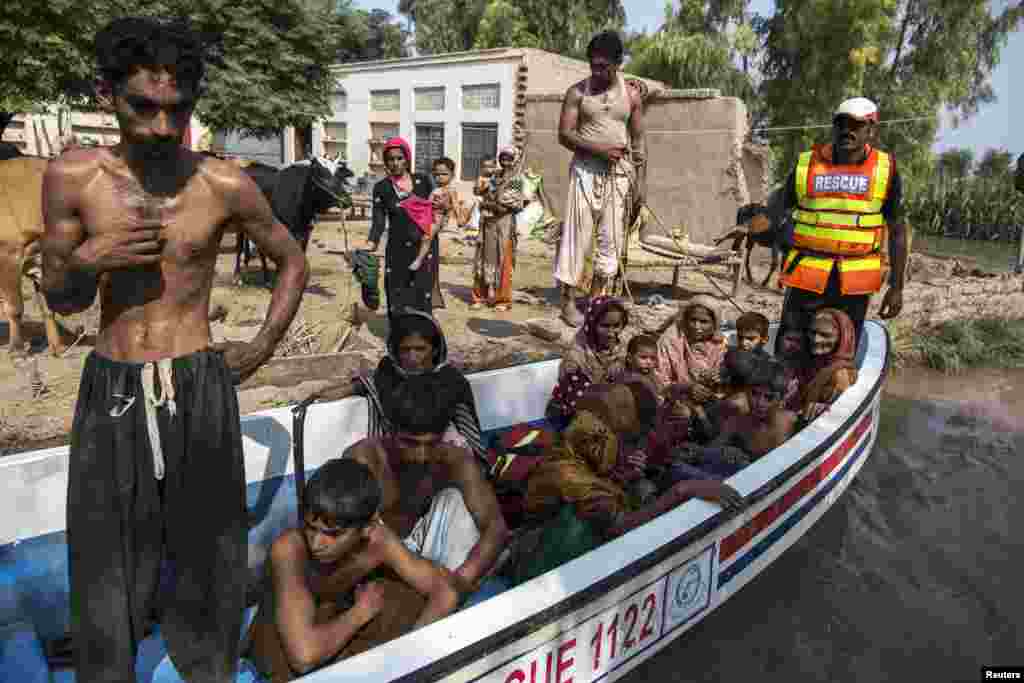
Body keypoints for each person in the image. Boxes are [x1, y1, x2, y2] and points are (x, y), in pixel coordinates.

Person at [38, 17, 309, 683]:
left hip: (199, 380)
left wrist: (264, 343)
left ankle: (208, 666)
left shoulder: (222, 184)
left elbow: (291, 259)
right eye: (143, 107)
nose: (162, 126)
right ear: (108, 95)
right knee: (103, 550)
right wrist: (90, 257)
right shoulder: (74, 177)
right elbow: (60, 297)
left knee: (210, 548)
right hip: (115, 383)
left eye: (178, 109)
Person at [243, 459, 458, 682]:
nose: (317, 543)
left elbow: (445, 591)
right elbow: (303, 656)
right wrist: (360, 613)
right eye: (310, 527)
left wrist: (410, 653)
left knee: (409, 600)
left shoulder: (378, 539)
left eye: (333, 534)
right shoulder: (289, 550)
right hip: (287, 636)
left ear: (368, 527)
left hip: (334, 616)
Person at [511, 382, 742, 584]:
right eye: (616, 439)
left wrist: (624, 476)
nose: (621, 446)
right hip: (542, 569)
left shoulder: (568, 447)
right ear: (600, 441)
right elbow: (621, 527)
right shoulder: (573, 478)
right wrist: (684, 490)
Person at [343, 374, 509, 603]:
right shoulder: (363, 459)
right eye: (410, 443)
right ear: (390, 430)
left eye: (431, 444)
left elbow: (495, 527)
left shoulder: (455, 459)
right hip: (383, 558)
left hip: (432, 555)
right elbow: (351, 539)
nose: (421, 455)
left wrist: (462, 578)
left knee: (454, 499)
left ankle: (453, 595)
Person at [778, 97, 907, 342]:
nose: (847, 130)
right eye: (841, 124)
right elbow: (780, 212)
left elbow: (898, 231)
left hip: (854, 284)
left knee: (841, 351)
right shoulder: (807, 164)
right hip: (807, 278)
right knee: (792, 347)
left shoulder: (886, 169)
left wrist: (897, 287)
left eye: (856, 125)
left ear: (871, 130)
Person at [554, 30, 647, 327]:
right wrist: (599, 149)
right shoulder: (577, 93)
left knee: (611, 241)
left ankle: (595, 301)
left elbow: (639, 138)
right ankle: (568, 303)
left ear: (619, 63)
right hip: (584, 171)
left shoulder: (631, 94)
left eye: (604, 66)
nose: (597, 71)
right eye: (593, 65)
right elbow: (564, 135)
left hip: (619, 176)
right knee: (576, 238)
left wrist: (640, 181)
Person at [311, 309, 487, 466]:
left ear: (434, 350)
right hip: (398, 446)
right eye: (405, 350)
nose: (412, 357)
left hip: (442, 450)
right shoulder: (388, 370)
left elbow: (465, 422)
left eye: (420, 349)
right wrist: (349, 389)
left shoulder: (450, 378)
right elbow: (376, 384)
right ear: (395, 350)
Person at [368, 137, 444, 317]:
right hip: (397, 249)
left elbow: (438, 207)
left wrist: (442, 209)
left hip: (424, 248)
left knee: (422, 293)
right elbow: (378, 221)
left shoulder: (424, 181)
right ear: (385, 162)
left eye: (399, 158)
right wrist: (371, 243)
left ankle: (423, 337)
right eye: (390, 159)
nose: (395, 163)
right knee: (397, 294)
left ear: (407, 158)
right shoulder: (382, 188)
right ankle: (398, 338)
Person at [546, 296, 629, 426]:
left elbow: (626, 359)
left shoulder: (621, 344)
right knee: (573, 379)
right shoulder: (580, 344)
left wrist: (620, 363)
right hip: (581, 405)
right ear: (592, 323)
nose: (611, 332)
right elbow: (570, 364)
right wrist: (572, 367)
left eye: (616, 326)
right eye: (605, 326)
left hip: (609, 403)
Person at [704, 358, 797, 470]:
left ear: (781, 400)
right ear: (746, 392)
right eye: (754, 393)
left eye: (769, 397)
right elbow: (710, 449)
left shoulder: (791, 423)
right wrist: (724, 451)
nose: (759, 402)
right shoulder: (740, 420)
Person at [472, 145, 524, 312]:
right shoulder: (494, 176)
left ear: (515, 160)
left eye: (509, 158)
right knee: (483, 257)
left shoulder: (516, 179)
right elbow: (480, 193)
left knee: (503, 259)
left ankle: (502, 300)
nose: (505, 161)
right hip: (488, 222)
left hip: (504, 223)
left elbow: (506, 206)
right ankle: (480, 296)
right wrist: (488, 202)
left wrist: (488, 203)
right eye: (502, 157)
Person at [655, 295, 728, 405]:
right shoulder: (672, 339)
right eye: (693, 320)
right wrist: (686, 388)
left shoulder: (719, 344)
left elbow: (724, 379)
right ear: (685, 319)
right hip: (674, 398)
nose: (696, 326)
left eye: (704, 322)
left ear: (715, 324)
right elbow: (659, 379)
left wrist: (715, 379)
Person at [800, 307, 859, 422]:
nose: (816, 339)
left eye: (825, 335)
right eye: (813, 332)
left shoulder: (840, 374)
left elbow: (835, 416)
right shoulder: (814, 361)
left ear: (842, 338)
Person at [775, 311, 811, 412]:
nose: (793, 345)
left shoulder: (805, 370)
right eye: (789, 339)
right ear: (780, 339)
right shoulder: (767, 366)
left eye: (798, 341)